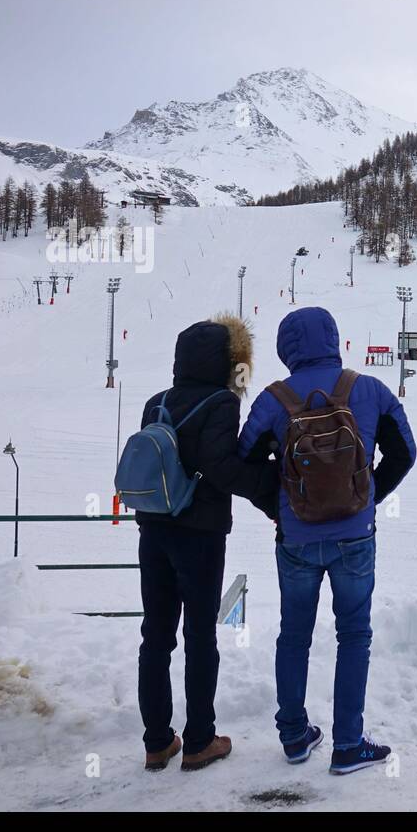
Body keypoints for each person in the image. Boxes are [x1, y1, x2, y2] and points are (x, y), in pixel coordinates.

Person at [239, 307, 416, 773]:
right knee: (354, 634)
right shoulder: (370, 389)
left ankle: (295, 737)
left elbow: (245, 465)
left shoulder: (271, 400)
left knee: (293, 635)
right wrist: (368, 498)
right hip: (355, 537)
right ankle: (348, 744)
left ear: (286, 348)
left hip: (295, 539)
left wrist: (279, 508)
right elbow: (405, 452)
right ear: (334, 338)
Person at [135, 315, 279, 773]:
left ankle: (158, 742)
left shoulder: (155, 402)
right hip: (199, 534)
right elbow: (220, 467)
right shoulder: (221, 402)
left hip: (153, 528)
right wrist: (269, 486)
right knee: (199, 635)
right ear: (228, 362)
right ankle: (199, 740)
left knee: (155, 635)